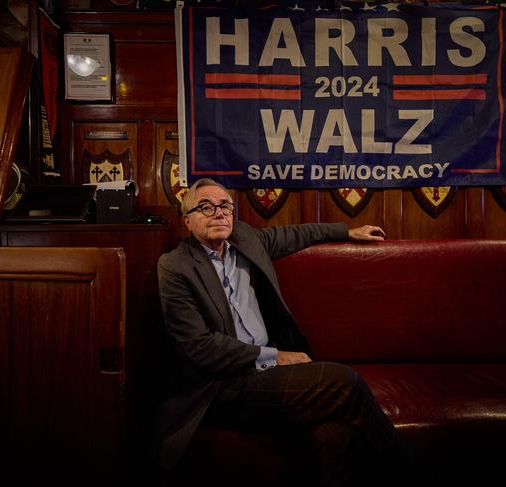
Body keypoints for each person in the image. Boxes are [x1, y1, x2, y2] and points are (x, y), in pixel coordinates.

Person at [152, 178, 410, 486]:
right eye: (205, 207)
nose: (218, 213)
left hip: (265, 375)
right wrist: (274, 357)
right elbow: (199, 347)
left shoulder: (245, 239)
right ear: (188, 220)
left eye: (224, 206)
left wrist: (346, 231)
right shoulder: (175, 266)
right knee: (345, 383)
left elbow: (293, 234)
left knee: (333, 434)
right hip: (225, 385)